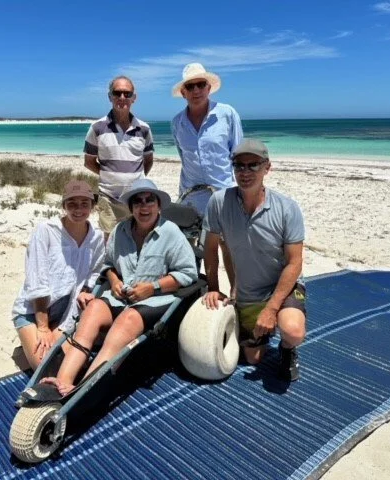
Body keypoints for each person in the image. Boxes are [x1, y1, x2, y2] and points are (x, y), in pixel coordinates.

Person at [42, 178, 198, 395]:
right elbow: (108, 265)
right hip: (122, 295)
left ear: (158, 205)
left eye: (149, 201)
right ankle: (62, 380)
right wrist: (114, 281)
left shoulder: (171, 233)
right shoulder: (120, 230)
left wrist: (152, 287)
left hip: (156, 299)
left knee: (128, 319)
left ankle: (84, 388)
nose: (144, 206)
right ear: (131, 207)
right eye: (138, 202)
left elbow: (188, 274)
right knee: (94, 308)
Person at [202, 139, 306, 381]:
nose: (245, 172)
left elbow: (295, 263)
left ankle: (287, 349)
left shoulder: (287, 208)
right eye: (239, 166)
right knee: (253, 359)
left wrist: (271, 309)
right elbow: (210, 249)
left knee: (293, 330)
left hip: (282, 286)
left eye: (253, 166)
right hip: (249, 293)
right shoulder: (218, 202)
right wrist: (214, 288)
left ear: (267, 168)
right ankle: (261, 328)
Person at [11, 180, 105, 370]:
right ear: (63, 206)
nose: (78, 209)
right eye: (72, 204)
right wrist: (43, 327)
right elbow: (37, 280)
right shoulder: (46, 230)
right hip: (35, 310)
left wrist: (86, 291)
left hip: (67, 310)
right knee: (46, 366)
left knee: (73, 364)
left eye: (84, 204)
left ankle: (40, 341)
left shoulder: (96, 236)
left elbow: (95, 271)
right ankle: (31, 335)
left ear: (92, 207)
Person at [171, 62, 243, 289]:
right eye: (190, 87)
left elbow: (238, 156)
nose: (196, 91)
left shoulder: (227, 114)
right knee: (196, 250)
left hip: (224, 193)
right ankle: (206, 295)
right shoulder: (177, 123)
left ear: (208, 87)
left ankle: (235, 296)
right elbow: (184, 157)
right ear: (183, 92)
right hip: (192, 197)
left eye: (200, 85)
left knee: (227, 246)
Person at [84, 75, 155, 238]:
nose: (122, 97)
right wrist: (109, 176)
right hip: (108, 199)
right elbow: (89, 162)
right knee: (109, 244)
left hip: (137, 199)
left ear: (134, 98)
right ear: (110, 97)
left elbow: (148, 160)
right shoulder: (97, 128)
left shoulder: (144, 129)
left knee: (137, 241)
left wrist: (135, 180)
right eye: (117, 93)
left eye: (127, 93)